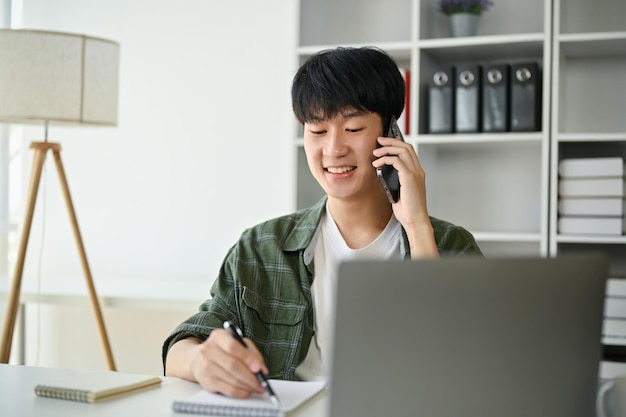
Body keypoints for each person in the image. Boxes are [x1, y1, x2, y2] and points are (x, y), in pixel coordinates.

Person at [162, 46, 482, 399]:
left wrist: (418, 227)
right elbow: (184, 345)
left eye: (353, 127)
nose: (333, 149)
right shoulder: (261, 247)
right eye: (316, 131)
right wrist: (199, 362)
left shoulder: (452, 245)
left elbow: (470, 365)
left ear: (392, 134)